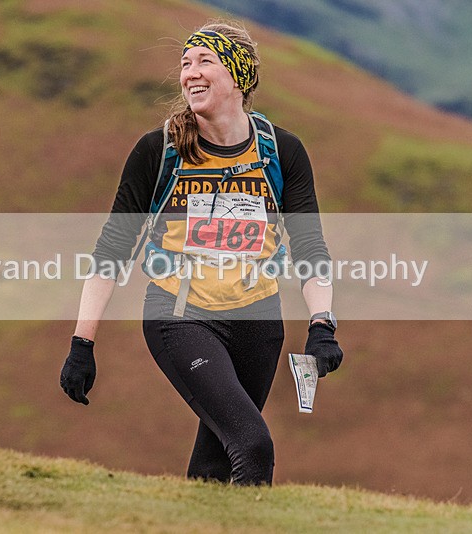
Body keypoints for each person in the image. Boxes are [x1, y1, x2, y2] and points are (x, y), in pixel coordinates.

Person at [60, 20, 343, 486]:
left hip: (259, 321)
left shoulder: (281, 151)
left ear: (239, 75)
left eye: (204, 61)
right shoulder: (159, 152)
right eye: (185, 64)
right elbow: (112, 251)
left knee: (215, 466)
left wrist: (322, 324)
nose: (190, 73)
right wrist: (81, 344)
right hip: (179, 316)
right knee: (253, 444)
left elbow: (309, 247)